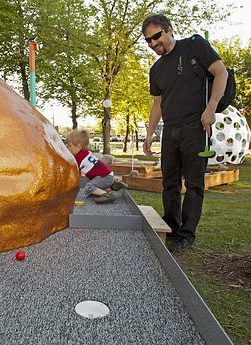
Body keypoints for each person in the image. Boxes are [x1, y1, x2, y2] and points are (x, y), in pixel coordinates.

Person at [142, 14, 229, 251]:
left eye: (156, 37)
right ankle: (170, 226)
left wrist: (211, 108)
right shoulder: (156, 69)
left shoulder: (193, 46)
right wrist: (150, 134)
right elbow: (157, 103)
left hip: (196, 127)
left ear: (169, 30)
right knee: (169, 183)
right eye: (148, 41)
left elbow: (221, 73)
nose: (152, 44)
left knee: (193, 184)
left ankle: (186, 234)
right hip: (170, 130)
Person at [66, 129, 128, 204]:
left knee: (88, 187)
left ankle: (107, 195)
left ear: (79, 145)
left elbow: (73, 172)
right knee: (93, 189)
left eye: (70, 146)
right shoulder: (86, 153)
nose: (68, 148)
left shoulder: (79, 158)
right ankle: (113, 186)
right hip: (107, 176)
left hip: (104, 177)